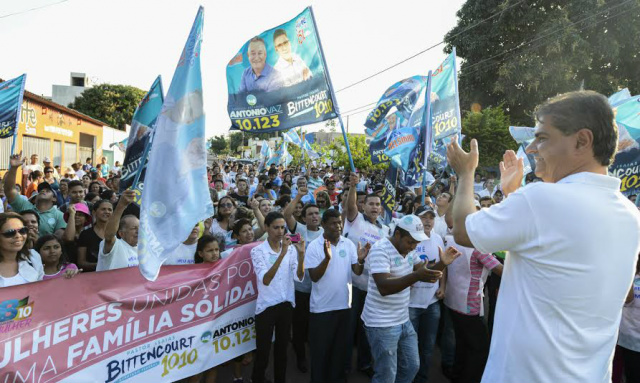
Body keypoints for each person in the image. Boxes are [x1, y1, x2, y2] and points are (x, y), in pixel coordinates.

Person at [446, 90, 640, 383]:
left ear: (582, 140)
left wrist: (465, 173)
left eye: (543, 137)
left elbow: (461, 228)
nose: (533, 148)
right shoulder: (630, 214)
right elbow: (546, 263)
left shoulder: (540, 200)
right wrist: (512, 195)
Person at [363, 215, 458, 383]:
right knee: (386, 375)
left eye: (416, 243)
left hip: (402, 319)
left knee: (412, 366)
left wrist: (442, 263)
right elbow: (384, 287)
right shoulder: (380, 249)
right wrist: (415, 276)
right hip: (381, 324)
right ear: (398, 234)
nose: (414, 246)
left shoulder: (410, 250)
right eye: (410, 242)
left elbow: (426, 275)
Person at [305, 209, 370, 383]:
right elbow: (314, 277)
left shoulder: (348, 244)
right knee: (321, 354)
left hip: (344, 307)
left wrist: (361, 260)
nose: (338, 226)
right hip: (321, 310)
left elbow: (357, 271)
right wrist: (327, 259)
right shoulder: (313, 246)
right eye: (333, 223)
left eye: (339, 222)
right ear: (324, 224)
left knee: (339, 354)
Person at [250, 212, 305, 383]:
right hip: (266, 307)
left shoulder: (290, 249)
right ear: (266, 228)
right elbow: (265, 280)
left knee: (282, 350)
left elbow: (299, 277)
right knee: (263, 352)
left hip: (286, 304)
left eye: (283, 227)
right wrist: (282, 254)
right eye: (276, 227)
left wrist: (301, 255)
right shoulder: (257, 251)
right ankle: (257, 379)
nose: (280, 231)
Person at [344, 172, 390, 375]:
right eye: (370, 204)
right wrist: (353, 186)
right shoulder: (355, 220)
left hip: (372, 288)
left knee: (365, 329)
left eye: (377, 204)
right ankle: (343, 365)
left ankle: (364, 363)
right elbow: (350, 207)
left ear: (381, 209)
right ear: (363, 206)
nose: (374, 207)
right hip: (351, 286)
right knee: (348, 328)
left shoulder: (386, 230)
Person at [283, 185, 323, 372]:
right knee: (298, 326)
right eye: (311, 214)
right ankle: (300, 357)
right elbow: (287, 214)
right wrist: (299, 195)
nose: (315, 216)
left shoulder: (326, 234)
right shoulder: (299, 231)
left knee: (314, 326)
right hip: (300, 289)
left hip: (320, 289)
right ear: (304, 218)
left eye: (317, 213)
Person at [4, 154, 67, 237]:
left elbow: (57, 238)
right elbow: (9, 190)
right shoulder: (25, 205)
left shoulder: (59, 215)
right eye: (40, 190)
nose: (43, 191)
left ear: (54, 199)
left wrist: (37, 242)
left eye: (48, 190)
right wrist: (14, 168)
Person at [97, 190, 138, 271]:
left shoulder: (144, 248)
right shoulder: (116, 246)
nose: (138, 231)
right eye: (134, 228)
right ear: (121, 233)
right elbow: (109, 236)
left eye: (140, 228)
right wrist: (121, 205)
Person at [0, 213, 45, 287]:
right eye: (10, 233)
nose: (18, 236)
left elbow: (40, 289)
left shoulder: (33, 256)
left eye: (22, 230)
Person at [77, 200, 113, 272]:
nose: (107, 212)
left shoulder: (119, 233)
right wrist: (100, 265)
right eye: (103, 209)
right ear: (94, 212)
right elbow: (81, 263)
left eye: (110, 210)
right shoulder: (85, 234)